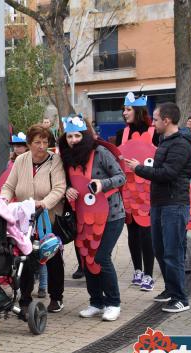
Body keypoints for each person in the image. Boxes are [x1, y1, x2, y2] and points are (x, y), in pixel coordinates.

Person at [125, 102, 191, 313]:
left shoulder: (181, 144)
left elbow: (167, 173)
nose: (153, 123)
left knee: (172, 252)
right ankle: (170, 289)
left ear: (166, 120)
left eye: (155, 119)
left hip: (174, 205)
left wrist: (138, 168)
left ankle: (181, 298)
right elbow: (159, 170)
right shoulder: (165, 141)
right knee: (160, 248)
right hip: (159, 204)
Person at [59, 115, 126, 321]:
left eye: (77, 135)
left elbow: (121, 176)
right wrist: (68, 190)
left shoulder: (100, 152)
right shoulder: (66, 157)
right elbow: (66, 183)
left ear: (85, 135)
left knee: (101, 257)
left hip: (112, 215)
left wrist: (101, 184)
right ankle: (96, 302)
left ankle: (113, 303)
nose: (73, 140)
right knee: (88, 259)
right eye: (69, 136)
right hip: (84, 216)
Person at [0, 124, 67, 314]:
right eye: (37, 142)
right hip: (24, 218)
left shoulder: (55, 161)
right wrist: (5, 198)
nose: (41, 146)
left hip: (48, 217)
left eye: (45, 142)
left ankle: (56, 297)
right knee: (26, 258)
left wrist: (44, 203)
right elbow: (9, 186)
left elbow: (59, 188)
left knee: (51, 256)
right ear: (29, 144)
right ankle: (25, 297)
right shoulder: (21, 160)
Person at [113, 93, 156, 291]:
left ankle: (149, 274)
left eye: (128, 109)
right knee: (132, 232)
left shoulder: (155, 132)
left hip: (147, 190)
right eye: (124, 109)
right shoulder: (122, 133)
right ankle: (137, 270)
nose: (124, 112)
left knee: (146, 232)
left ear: (137, 111)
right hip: (128, 190)